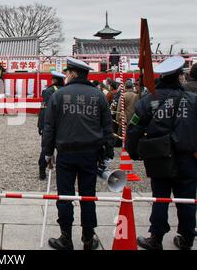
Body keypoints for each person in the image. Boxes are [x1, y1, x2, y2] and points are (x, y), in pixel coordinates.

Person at [42, 57, 114, 250]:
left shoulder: (59, 95)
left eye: (67, 73)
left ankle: (66, 237)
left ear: (73, 73)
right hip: (90, 153)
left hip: (66, 153)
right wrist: (108, 152)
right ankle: (88, 239)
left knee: (65, 196)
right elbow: (107, 126)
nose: (65, 76)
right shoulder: (98, 95)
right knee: (88, 197)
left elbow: (49, 128)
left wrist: (48, 153)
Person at [126, 56, 197, 250]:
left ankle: (156, 238)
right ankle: (188, 238)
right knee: (187, 199)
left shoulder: (148, 100)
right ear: (180, 76)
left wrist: (133, 152)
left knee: (160, 198)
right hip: (187, 157)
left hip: (158, 156)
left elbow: (134, 127)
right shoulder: (193, 100)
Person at [37, 71, 65, 180]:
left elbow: (43, 110)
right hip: (63, 125)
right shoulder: (66, 91)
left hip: (49, 125)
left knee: (46, 147)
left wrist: (40, 125)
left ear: (53, 80)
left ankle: (42, 171)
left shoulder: (47, 91)